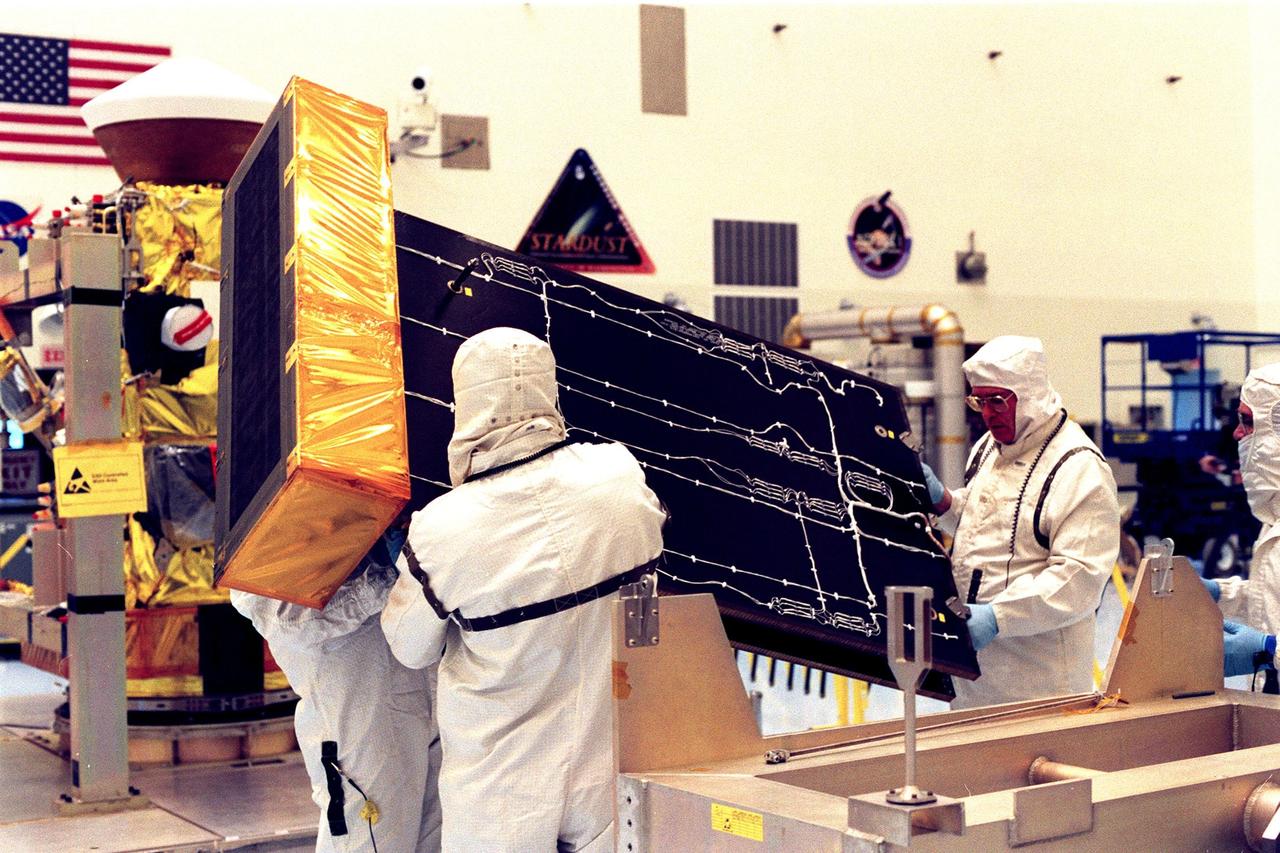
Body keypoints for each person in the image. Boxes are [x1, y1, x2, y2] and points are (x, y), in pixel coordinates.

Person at [381, 327, 667, 853]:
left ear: (465, 404)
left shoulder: (443, 528)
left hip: (500, 791)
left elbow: (409, 648)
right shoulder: (619, 475)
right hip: (610, 767)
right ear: (548, 390)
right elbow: (646, 623)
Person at [922, 335, 1120, 709]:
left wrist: (999, 616)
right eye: (979, 401)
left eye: (997, 400)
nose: (987, 413)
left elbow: (1079, 579)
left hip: (1040, 678)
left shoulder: (1079, 467)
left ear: (1030, 394)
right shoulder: (989, 447)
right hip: (975, 673)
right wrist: (945, 502)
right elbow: (992, 525)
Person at [231, 533, 441, 853]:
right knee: (369, 838)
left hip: (430, 699)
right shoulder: (263, 509)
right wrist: (390, 573)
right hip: (357, 717)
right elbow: (285, 618)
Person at [1204, 363, 1280, 683]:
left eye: (1247, 422)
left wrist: (1269, 650)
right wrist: (1221, 594)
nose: (1237, 433)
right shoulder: (1274, 513)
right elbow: (1274, 598)